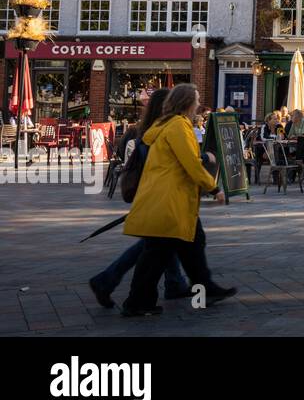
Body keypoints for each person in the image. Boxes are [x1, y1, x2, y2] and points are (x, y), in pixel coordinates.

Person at [119, 84, 237, 317]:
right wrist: (214, 188)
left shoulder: (165, 125)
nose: (199, 104)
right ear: (187, 103)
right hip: (169, 201)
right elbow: (191, 162)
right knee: (156, 254)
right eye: (196, 99)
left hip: (172, 201)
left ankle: (205, 290)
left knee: (190, 246)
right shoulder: (178, 127)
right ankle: (136, 302)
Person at [89, 90, 189, 309]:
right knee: (154, 243)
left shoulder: (147, 131)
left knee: (163, 240)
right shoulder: (160, 133)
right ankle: (106, 280)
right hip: (158, 198)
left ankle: (175, 282)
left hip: (151, 196)